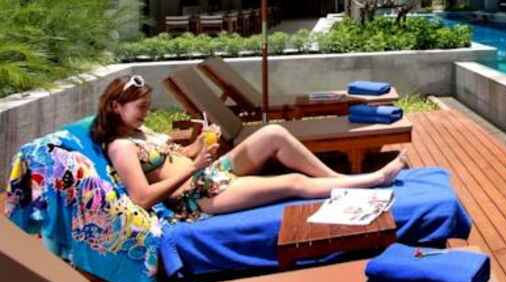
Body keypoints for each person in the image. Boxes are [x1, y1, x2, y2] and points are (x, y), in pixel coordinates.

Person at [94, 75, 408, 221]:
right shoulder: (121, 146)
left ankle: (336, 180)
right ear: (116, 107)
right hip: (198, 197)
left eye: (147, 106)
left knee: (273, 133)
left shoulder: (140, 131)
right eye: (140, 107)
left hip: (207, 174)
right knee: (292, 183)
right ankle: (374, 179)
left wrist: (198, 145)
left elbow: (177, 157)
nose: (146, 112)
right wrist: (195, 167)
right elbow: (142, 198)